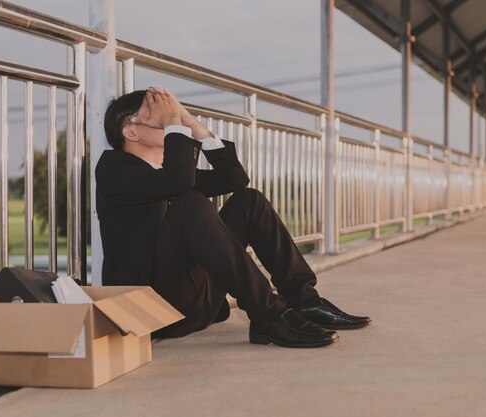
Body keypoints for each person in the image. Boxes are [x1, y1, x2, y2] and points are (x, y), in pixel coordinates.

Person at [96, 87, 370, 348]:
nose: (170, 120)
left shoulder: (167, 175)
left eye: (171, 115)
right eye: (157, 115)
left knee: (249, 201)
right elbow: (178, 181)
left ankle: (304, 301)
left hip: (201, 301)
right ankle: (269, 316)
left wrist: (189, 121)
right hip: (156, 310)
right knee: (191, 203)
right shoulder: (115, 171)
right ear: (131, 132)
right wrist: (172, 123)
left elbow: (234, 178)